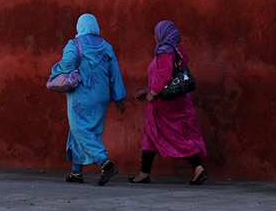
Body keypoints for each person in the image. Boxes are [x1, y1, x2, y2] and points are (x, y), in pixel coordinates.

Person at [50, 13, 127, 185]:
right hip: (101, 97)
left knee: (79, 128)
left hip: (81, 96)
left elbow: (66, 65)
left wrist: (56, 71)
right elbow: (115, 73)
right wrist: (119, 97)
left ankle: (105, 163)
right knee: (86, 130)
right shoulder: (106, 47)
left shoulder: (74, 45)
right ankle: (77, 172)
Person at [130, 20, 208, 185]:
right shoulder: (177, 50)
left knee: (174, 135)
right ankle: (144, 173)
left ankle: (198, 168)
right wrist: (147, 90)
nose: (154, 37)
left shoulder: (165, 51)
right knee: (151, 135)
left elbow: (165, 75)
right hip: (176, 101)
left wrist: (152, 93)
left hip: (164, 105)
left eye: (156, 33)